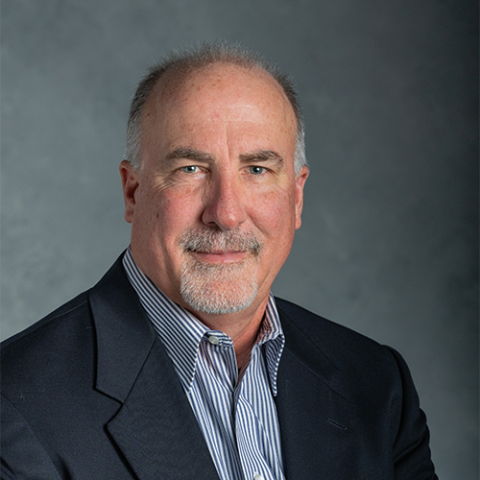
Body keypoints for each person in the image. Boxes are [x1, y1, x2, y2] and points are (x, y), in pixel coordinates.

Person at [0, 43, 437, 480]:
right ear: (133, 192)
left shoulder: (376, 385)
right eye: (191, 169)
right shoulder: (17, 405)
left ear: (297, 197)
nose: (226, 213)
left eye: (257, 170)